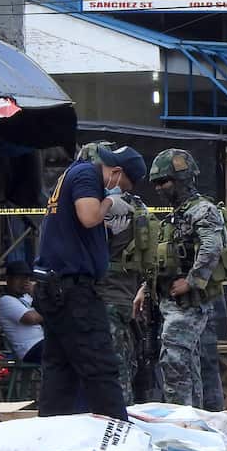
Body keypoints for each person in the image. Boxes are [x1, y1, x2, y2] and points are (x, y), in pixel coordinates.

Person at [33, 144, 146, 420]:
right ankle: (117, 428)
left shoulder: (71, 175)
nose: (121, 191)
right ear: (116, 173)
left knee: (61, 368)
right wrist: (109, 203)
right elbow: (87, 216)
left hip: (55, 287)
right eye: (124, 186)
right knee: (100, 362)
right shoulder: (87, 175)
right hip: (73, 290)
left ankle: (51, 429)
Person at [134, 149, 227, 409]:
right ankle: (191, 417)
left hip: (189, 302)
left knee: (175, 361)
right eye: (156, 183)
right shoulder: (176, 216)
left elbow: (212, 246)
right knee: (184, 362)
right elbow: (163, 260)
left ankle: (182, 421)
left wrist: (193, 280)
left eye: (165, 181)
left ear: (184, 179)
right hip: (168, 301)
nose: (160, 188)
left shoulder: (202, 210)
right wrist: (145, 289)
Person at [77, 141, 159, 406]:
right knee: (125, 360)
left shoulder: (111, 207)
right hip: (124, 295)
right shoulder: (139, 207)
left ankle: (118, 418)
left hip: (107, 296)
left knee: (112, 364)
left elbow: (86, 231)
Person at [0, 260, 45, 364]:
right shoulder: (6, 301)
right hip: (30, 349)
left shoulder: (27, 297)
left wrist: (34, 294)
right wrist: (52, 312)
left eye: (26, 279)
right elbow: (31, 318)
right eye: (19, 278)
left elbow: (44, 308)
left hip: (42, 343)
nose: (24, 282)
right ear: (8, 280)